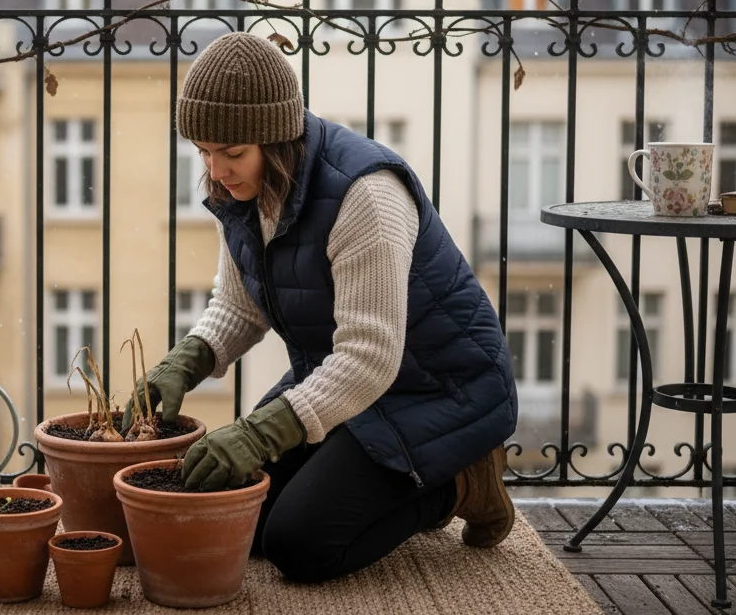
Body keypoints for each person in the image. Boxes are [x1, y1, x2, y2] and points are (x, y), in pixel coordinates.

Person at [123, 32, 519, 584]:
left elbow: (370, 358)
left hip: (437, 389)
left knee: (301, 545)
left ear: (276, 138)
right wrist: (185, 362)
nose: (215, 171)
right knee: (241, 517)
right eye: (204, 153)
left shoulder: (365, 194)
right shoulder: (243, 190)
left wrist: (259, 434)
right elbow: (239, 307)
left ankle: (463, 482)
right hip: (341, 381)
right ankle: (399, 484)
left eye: (231, 154)